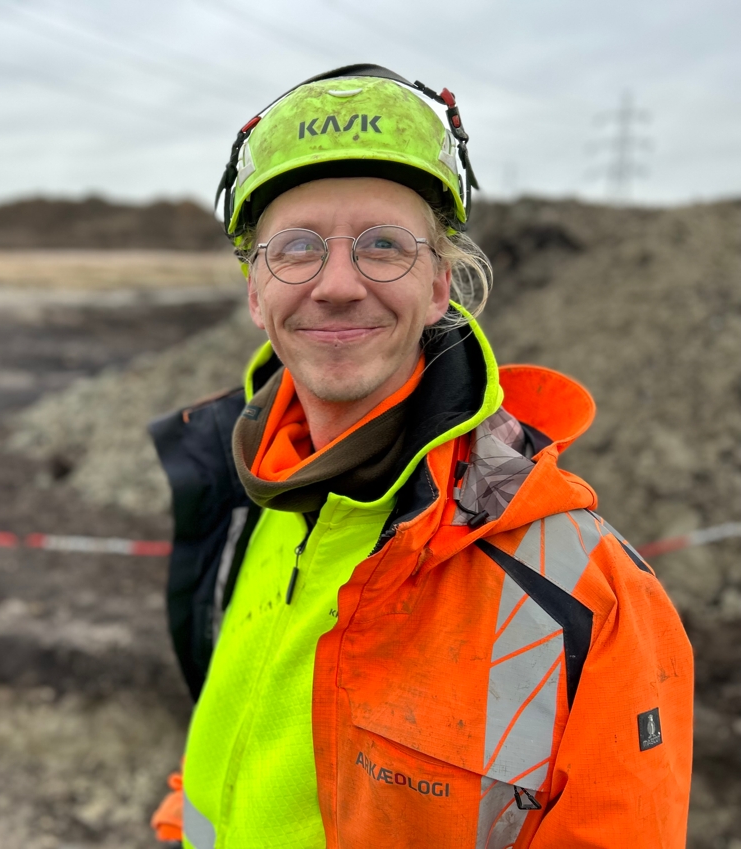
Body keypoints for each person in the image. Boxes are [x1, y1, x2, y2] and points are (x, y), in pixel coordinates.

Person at [147, 64, 693, 848]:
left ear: (440, 285)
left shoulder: (585, 596)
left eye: (384, 245)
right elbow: (224, 757)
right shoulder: (245, 504)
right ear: (256, 292)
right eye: (296, 248)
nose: (338, 284)